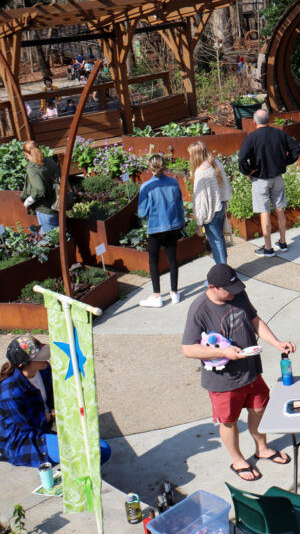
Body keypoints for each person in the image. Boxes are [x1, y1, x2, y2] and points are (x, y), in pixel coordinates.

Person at [182, 264, 296, 482]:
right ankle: (238, 460)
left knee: (260, 409)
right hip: (224, 380)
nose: (234, 293)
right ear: (213, 287)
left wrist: (277, 343)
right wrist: (224, 352)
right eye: (228, 290)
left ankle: (262, 448)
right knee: (229, 421)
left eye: (236, 288)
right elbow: (188, 349)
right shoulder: (199, 309)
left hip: (251, 371)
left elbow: (254, 320)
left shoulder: (238, 293)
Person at [0, 336, 112, 468]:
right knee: (91, 455)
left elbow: (55, 398)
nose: (46, 359)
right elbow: (29, 426)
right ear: (22, 364)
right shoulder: (10, 392)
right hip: (24, 439)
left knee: (102, 449)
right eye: (39, 357)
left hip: (47, 424)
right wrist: (54, 415)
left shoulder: (44, 370)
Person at [238, 109, 300, 256]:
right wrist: (285, 162)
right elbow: (296, 149)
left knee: (264, 211)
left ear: (254, 122)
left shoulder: (252, 137)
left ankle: (268, 248)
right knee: (280, 209)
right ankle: (283, 242)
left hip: (260, 180)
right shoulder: (279, 133)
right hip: (277, 178)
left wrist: (248, 171)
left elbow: (241, 158)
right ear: (269, 120)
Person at [138, 154, 186, 307]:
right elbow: (180, 206)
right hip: (173, 226)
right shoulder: (174, 182)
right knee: (172, 260)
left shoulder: (146, 186)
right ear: (164, 166)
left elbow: (142, 212)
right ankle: (174, 293)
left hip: (156, 227)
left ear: (150, 168)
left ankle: (157, 296)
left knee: (153, 261)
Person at [190, 141, 232, 266]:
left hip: (210, 212)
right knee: (220, 240)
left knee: (216, 241)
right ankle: (224, 269)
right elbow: (226, 186)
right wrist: (226, 205)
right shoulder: (216, 163)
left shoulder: (200, 172)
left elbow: (200, 201)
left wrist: (199, 223)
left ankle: (223, 272)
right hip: (221, 207)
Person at [20, 140, 61, 233]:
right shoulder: (50, 162)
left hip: (44, 210)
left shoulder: (32, 168)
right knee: (62, 237)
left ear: (25, 155)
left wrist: (27, 202)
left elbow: (39, 190)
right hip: (58, 205)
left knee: (53, 240)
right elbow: (59, 180)